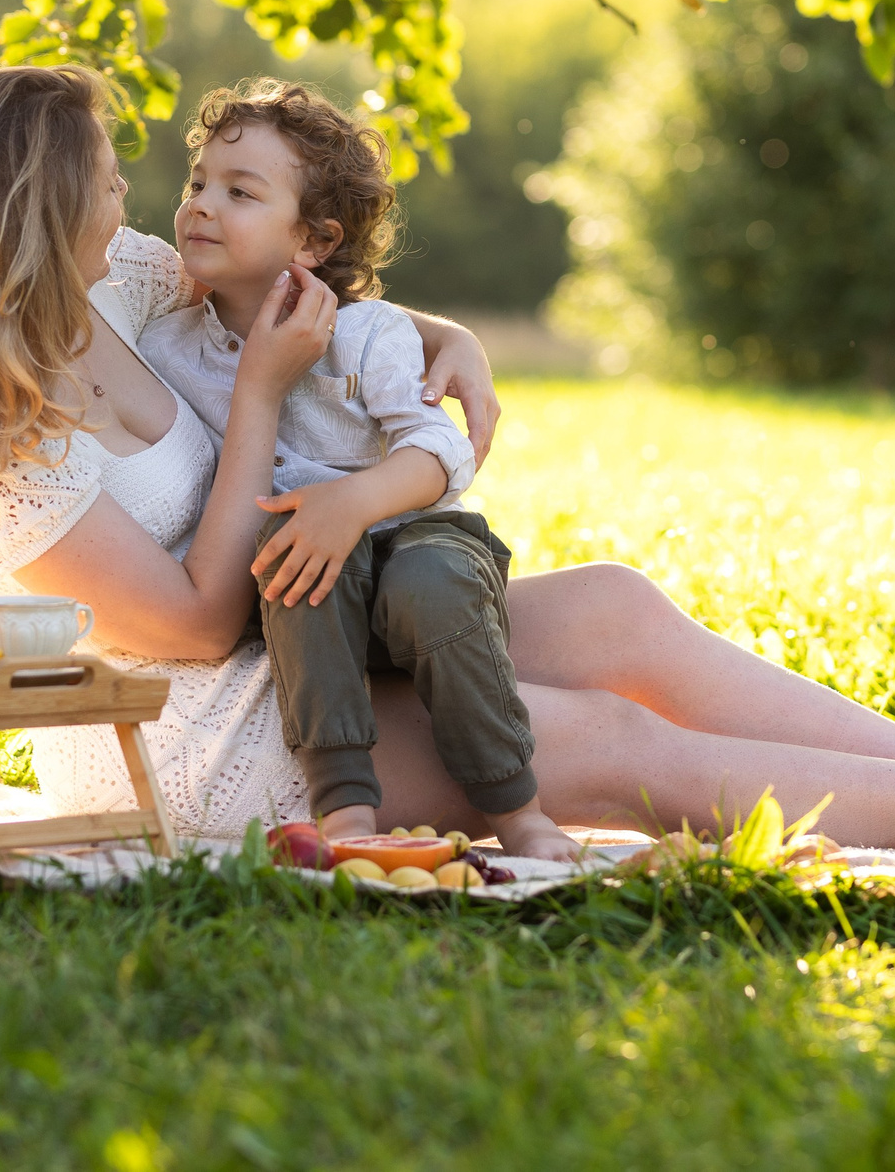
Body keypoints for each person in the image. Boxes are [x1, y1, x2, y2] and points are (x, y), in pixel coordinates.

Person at [0, 64, 895, 849]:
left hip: (308, 621)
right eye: (105, 175)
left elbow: (276, 282)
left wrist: (440, 330)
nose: (134, 195)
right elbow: (183, 624)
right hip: (186, 742)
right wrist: (263, 409)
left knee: (614, 611)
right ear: (33, 204)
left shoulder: (108, 281)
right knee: (593, 739)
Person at [137, 81, 576, 860]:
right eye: (197, 182)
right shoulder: (168, 348)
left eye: (239, 192)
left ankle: (519, 810)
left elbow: (440, 450)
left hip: (415, 538)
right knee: (296, 562)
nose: (201, 204)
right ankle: (345, 817)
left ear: (313, 241)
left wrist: (353, 500)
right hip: (304, 574)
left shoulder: (370, 333)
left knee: (433, 583)